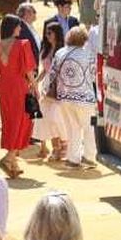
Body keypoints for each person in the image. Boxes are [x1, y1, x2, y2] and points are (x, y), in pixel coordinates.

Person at [0, 14, 38, 178]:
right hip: (19, 86)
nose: (21, 29)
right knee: (23, 121)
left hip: (4, 87)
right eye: (18, 26)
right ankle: (8, 157)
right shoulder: (23, 44)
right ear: (12, 27)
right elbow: (29, 70)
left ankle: (13, 162)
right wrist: (35, 86)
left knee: (9, 122)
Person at [46, 26, 100, 168]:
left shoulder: (60, 53)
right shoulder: (88, 55)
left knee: (72, 128)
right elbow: (94, 75)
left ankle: (73, 158)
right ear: (84, 39)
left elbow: (52, 75)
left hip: (64, 97)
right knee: (88, 127)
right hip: (85, 98)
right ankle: (89, 156)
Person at [33, 21, 68, 162]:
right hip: (46, 87)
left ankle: (64, 144)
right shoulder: (45, 49)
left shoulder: (63, 51)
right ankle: (56, 148)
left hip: (59, 87)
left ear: (57, 34)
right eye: (46, 33)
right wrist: (35, 81)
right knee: (47, 119)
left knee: (57, 117)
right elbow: (44, 70)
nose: (47, 36)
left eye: (50, 33)